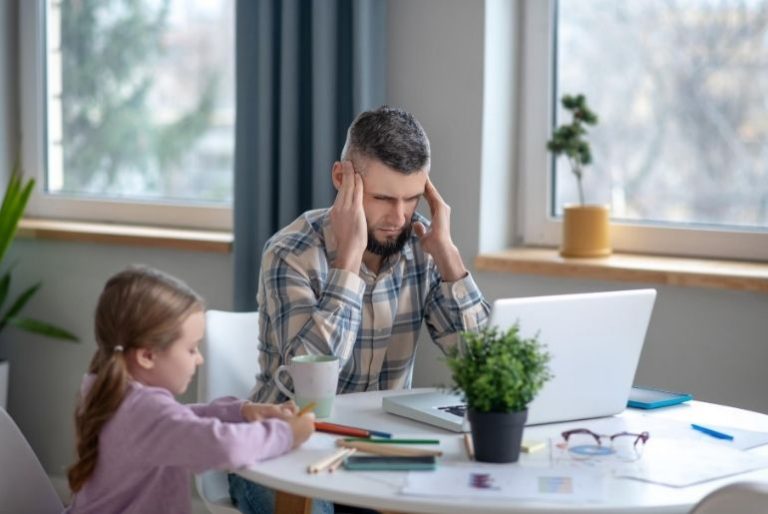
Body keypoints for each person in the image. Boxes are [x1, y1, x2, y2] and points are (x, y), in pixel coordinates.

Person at [229, 106, 490, 513]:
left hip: (377, 453)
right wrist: (348, 263)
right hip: (284, 450)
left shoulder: (424, 250)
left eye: (412, 198)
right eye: (384, 198)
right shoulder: (290, 253)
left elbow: (489, 372)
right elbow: (307, 385)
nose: (400, 218)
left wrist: (450, 258)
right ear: (341, 179)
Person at [65, 266, 315, 514]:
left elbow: (176, 421)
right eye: (191, 349)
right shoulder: (145, 411)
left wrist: (243, 412)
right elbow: (225, 446)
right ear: (147, 356)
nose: (199, 359)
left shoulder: (107, 390)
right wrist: (286, 434)